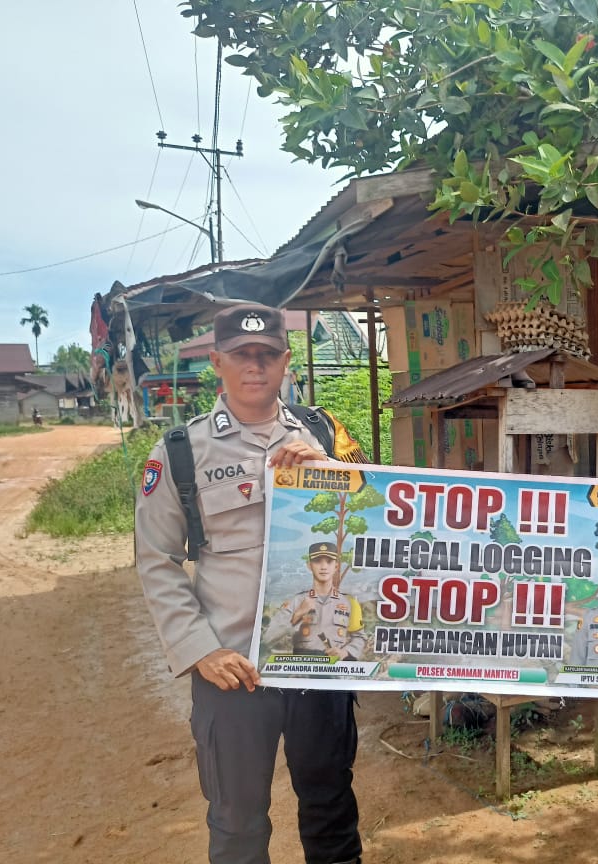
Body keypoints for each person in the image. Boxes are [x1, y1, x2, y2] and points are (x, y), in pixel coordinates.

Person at [135, 303, 364, 864]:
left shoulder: (325, 434)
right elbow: (157, 559)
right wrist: (199, 651)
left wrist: (329, 469)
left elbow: (376, 508)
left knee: (331, 810)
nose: (255, 366)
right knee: (236, 826)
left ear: (286, 361)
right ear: (217, 362)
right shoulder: (180, 453)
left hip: (316, 661)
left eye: (267, 355)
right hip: (233, 671)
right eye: (242, 355)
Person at [263, 542, 367, 660]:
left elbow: (359, 637)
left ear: (336, 566)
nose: (323, 567)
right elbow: (268, 638)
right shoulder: (296, 601)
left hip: (335, 669)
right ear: (309, 565)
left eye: (329, 561)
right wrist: (297, 615)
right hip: (302, 670)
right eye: (317, 561)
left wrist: (346, 652)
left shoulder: (349, 602)